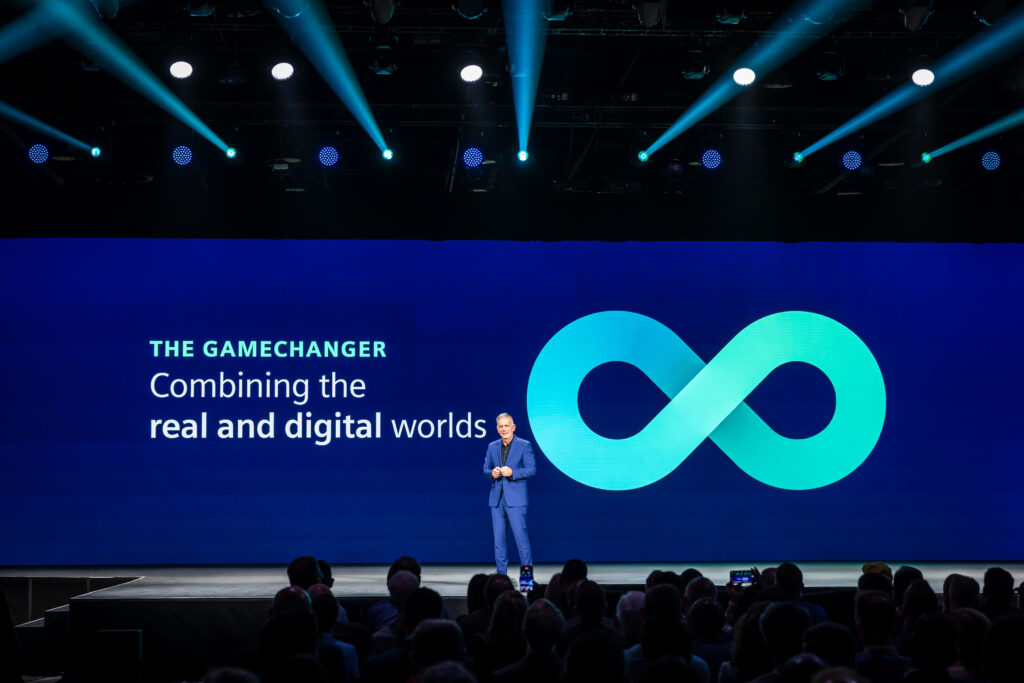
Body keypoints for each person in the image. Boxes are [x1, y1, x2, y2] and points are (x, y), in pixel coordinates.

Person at [483, 413, 535, 574]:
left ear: (513, 427)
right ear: (497, 429)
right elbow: (485, 469)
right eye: (501, 426)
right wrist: (492, 473)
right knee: (499, 543)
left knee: (522, 542)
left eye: (506, 425)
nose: (504, 429)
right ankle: (501, 579)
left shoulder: (524, 445)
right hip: (496, 501)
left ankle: (526, 582)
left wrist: (513, 472)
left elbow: (531, 469)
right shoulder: (492, 446)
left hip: (516, 501)